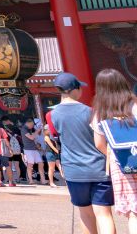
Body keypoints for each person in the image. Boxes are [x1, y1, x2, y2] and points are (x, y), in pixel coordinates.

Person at [53, 72, 114, 234]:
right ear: (74, 89)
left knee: (85, 214)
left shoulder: (53, 114)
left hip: (73, 170)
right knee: (104, 215)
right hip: (98, 168)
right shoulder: (91, 111)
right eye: (79, 87)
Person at [92, 68, 137, 233]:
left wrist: (115, 155)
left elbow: (99, 143)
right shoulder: (134, 104)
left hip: (121, 164)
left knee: (134, 212)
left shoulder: (100, 111)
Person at [21, 118, 46, 185]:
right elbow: (31, 137)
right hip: (28, 150)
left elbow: (33, 138)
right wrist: (37, 131)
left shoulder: (29, 129)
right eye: (32, 125)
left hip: (34, 149)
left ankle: (43, 180)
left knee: (41, 163)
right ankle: (31, 180)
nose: (33, 126)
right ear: (29, 123)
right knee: (30, 165)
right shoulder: (24, 129)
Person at [43, 123, 62, 189]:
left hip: (54, 153)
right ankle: (51, 182)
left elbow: (56, 145)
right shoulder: (46, 137)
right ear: (46, 130)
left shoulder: (52, 136)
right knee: (51, 168)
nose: (51, 130)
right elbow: (51, 146)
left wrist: (57, 151)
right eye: (49, 129)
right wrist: (58, 152)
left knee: (60, 166)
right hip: (50, 153)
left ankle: (66, 180)